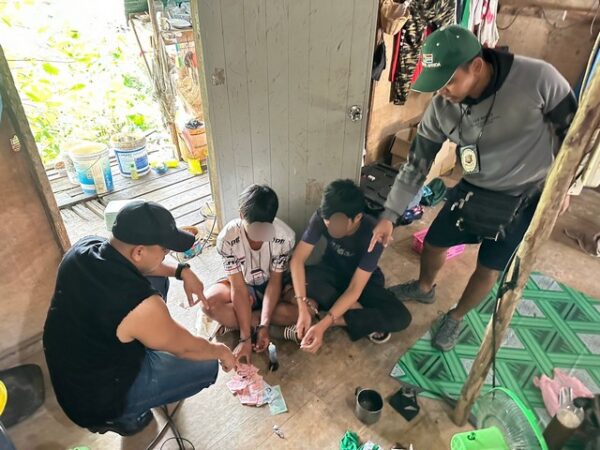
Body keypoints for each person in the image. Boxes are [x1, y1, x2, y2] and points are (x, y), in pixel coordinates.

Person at [370, 25, 577, 351]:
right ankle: (424, 288)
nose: (442, 92)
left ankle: (455, 317)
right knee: (434, 243)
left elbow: (574, 136)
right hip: (475, 186)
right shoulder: (441, 107)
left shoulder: (539, 79)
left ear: (476, 66)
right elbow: (415, 166)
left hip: (525, 193)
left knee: (489, 266)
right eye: (437, 84)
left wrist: (566, 185)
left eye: (449, 81)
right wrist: (389, 215)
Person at [43, 201, 236, 436]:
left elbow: (147, 268)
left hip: (75, 365)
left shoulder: (85, 248)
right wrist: (221, 351)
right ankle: (121, 417)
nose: (166, 255)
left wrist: (182, 271)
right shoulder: (137, 303)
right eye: (164, 251)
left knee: (158, 279)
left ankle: (144, 338)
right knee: (206, 363)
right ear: (139, 252)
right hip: (96, 400)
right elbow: (186, 348)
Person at [290, 179, 412, 353]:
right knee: (305, 278)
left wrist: (324, 325)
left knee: (401, 317)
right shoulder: (321, 217)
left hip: (363, 282)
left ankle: (338, 319)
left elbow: (355, 288)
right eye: (327, 221)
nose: (331, 226)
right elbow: (297, 260)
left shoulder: (374, 234)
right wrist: (302, 306)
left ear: (358, 217)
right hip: (331, 271)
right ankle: (357, 316)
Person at [202, 185, 298, 363]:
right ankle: (265, 328)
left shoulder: (284, 237)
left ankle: (249, 323)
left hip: (271, 289)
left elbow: (275, 283)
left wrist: (264, 324)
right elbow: (238, 288)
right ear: (241, 215)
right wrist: (245, 339)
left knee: (304, 309)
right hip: (243, 286)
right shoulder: (228, 238)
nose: (259, 235)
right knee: (208, 304)